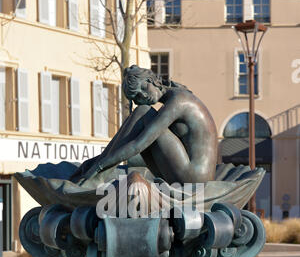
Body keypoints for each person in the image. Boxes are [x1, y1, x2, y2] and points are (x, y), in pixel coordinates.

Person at [70, 65, 218, 186]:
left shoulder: (179, 101)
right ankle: (97, 169)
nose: (141, 97)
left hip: (194, 178)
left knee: (142, 111)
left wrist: (101, 165)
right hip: (189, 174)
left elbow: (138, 144)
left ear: (151, 81)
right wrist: (100, 160)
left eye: (141, 91)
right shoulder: (174, 99)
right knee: (141, 114)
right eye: (135, 98)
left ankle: (97, 174)